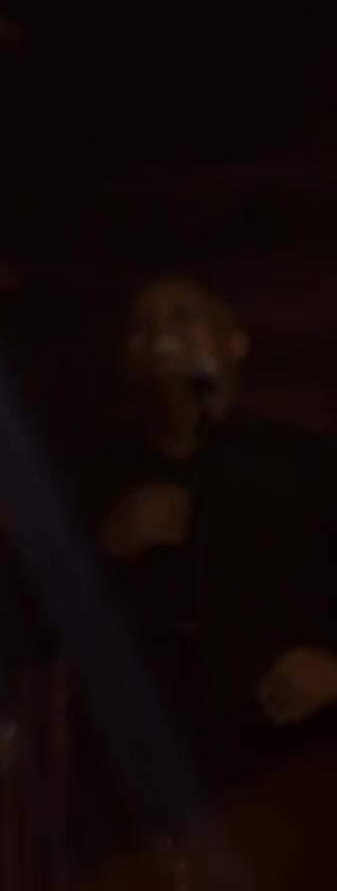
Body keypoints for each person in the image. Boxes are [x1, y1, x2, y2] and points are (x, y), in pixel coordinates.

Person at [84, 275, 337, 888]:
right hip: (133, 789)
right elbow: (29, 621)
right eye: (142, 326)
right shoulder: (95, 475)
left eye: (183, 316)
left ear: (235, 342)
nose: (161, 334)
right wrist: (108, 544)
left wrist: (335, 668)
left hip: (282, 770)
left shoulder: (306, 467)